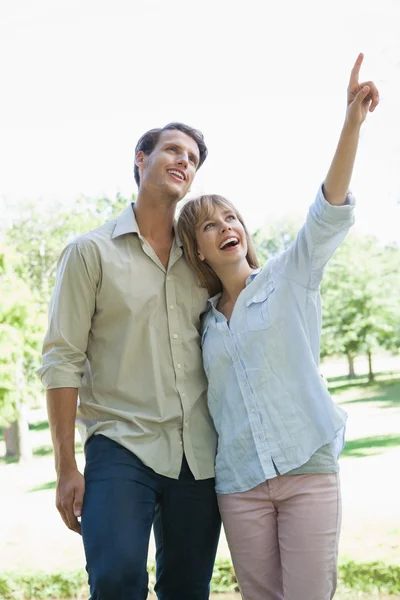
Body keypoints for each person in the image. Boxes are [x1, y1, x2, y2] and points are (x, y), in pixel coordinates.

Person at [177, 54, 379, 600]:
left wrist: (350, 124)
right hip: (239, 485)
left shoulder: (291, 275)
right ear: (195, 248)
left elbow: (327, 208)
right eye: (210, 225)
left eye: (231, 217)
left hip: (305, 466)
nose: (226, 227)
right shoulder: (200, 322)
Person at [37, 122, 221, 600]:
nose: (184, 162)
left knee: (187, 589)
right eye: (173, 150)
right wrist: (65, 467)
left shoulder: (203, 261)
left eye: (193, 160)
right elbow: (61, 360)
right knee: (116, 580)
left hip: (197, 453)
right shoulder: (90, 253)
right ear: (141, 159)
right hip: (121, 444)